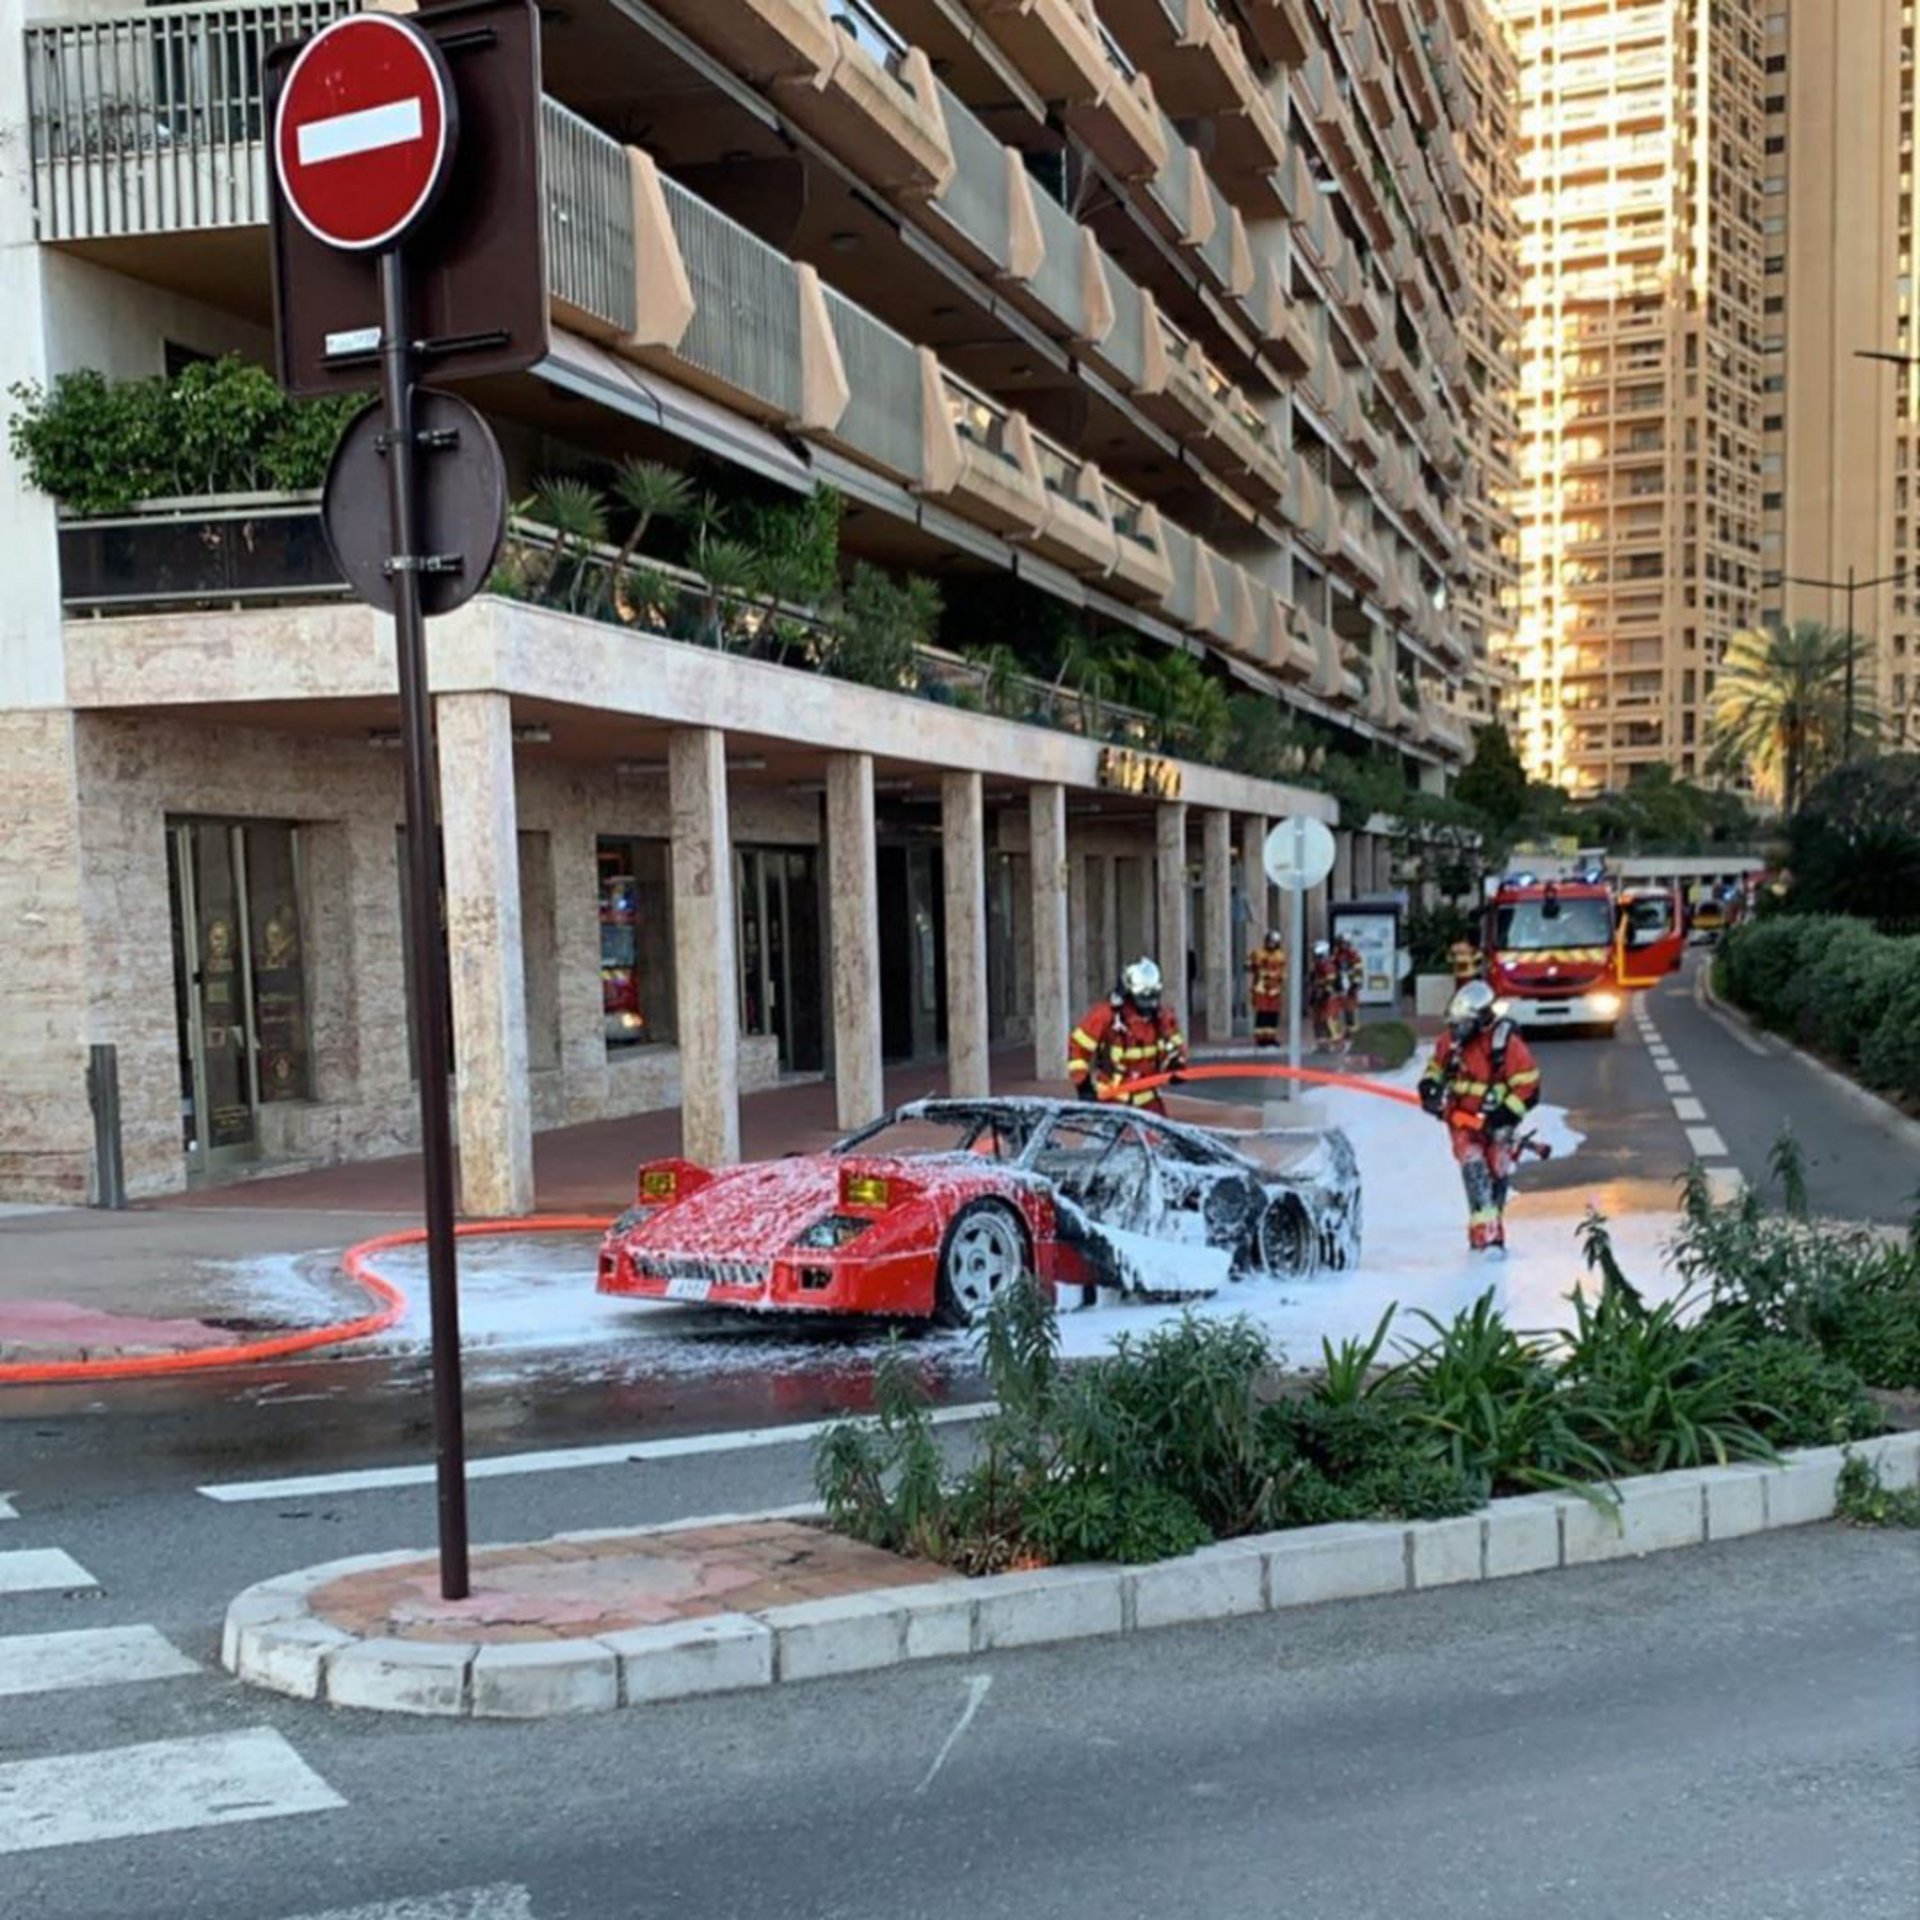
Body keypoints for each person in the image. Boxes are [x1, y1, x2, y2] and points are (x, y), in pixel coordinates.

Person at [1417, 981, 1542, 1257]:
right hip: (1462, 1123)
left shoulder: (1506, 1045)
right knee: (1474, 1170)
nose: (1456, 1031)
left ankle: (1487, 1232)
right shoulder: (1450, 1042)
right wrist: (1429, 1087)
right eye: (1453, 1024)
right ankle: (1488, 1239)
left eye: (1462, 1025)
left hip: (1499, 1124)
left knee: (1496, 1173)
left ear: (1482, 1020)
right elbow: (1436, 1067)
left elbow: (1529, 1087)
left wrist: (1505, 1114)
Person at [1067, 957, 1188, 1114]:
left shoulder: (1161, 1017)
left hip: (1148, 1101)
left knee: (1161, 1130)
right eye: (1143, 999)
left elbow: (1175, 1046)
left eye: (1153, 998)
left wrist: (1176, 1065)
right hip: (1113, 1100)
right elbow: (1077, 1048)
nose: (1149, 1005)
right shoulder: (1106, 1015)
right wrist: (1083, 1084)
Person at [1247, 929, 1288, 1049]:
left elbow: (1283, 972)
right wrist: (1254, 966)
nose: (1271, 944)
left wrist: (1279, 977)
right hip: (1261, 989)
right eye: (1270, 941)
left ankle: (1271, 1038)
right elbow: (1248, 965)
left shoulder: (1280, 956)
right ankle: (1261, 1039)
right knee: (1262, 1014)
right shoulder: (1258, 953)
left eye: (1274, 942)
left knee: (1273, 1014)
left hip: (1274, 989)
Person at [1307, 939, 1343, 1051]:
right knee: (1318, 1021)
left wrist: (1324, 993)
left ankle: (1336, 1045)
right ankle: (1322, 1045)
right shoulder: (1318, 965)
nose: (1313, 955)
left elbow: (1330, 982)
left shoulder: (1328, 965)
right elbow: (1314, 981)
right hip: (1319, 997)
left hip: (1328, 998)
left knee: (1329, 1020)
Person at [1332, 933, 1365, 1047]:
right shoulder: (1337, 955)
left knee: (1350, 1010)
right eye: (1340, 943)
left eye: (1343, 943)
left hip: (1350, 986)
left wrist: (1355, 984)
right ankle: (1344, 1033)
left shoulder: (1353, 955)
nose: (1342, 945)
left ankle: (1353, 1034)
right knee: (1339, 1010)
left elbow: (1358, 971)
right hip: (1340, 986)